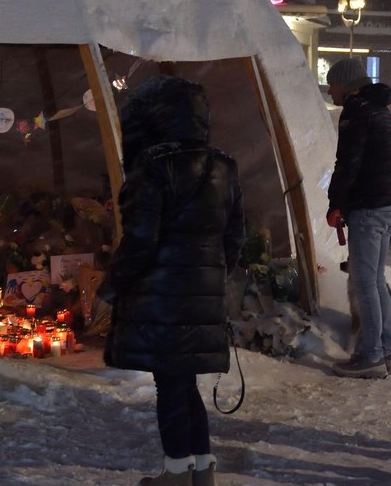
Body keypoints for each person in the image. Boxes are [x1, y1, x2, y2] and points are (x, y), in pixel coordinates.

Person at [100, 75, 244, 486]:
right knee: (185, 383)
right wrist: (211, 275)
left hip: (161, 297)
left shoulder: (152, 166)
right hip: (202, 293)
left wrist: (114, 286)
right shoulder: (224, 165)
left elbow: (141, 238)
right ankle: (202, 468)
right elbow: (234, 237)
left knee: (170, 384)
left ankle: (176, 473)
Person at [325, 57, 391, 379]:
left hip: (368, 208)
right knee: (376, 280)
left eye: (333, 84)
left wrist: (335, 203)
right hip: (387, 205)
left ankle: (371, 356)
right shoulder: (379, 110)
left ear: (346, 84)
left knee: (364, 282)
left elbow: (348, 162)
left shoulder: (356, 112)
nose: (330, 91)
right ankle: (385, 351)